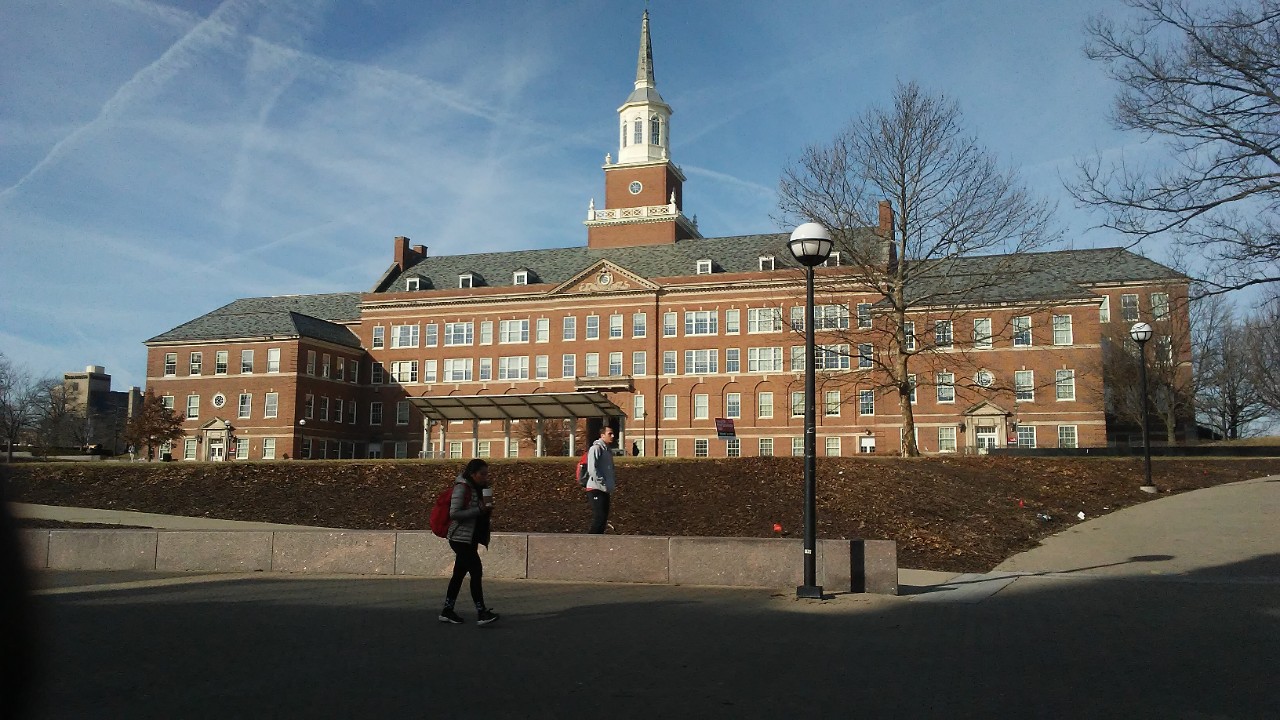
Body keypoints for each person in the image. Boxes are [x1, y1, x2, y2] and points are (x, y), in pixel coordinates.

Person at [439, 459, 499, 626]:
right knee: (476, 572)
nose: (485, 477)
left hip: (470, 537)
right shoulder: (462, 488)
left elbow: (481, 511)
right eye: (482, 474)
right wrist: (479, 509)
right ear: (473, 474)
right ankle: (481, 612)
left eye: (487, 474)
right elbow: (454, 513)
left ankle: (447, 610)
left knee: (458, 574)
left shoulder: (481, 489)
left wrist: (487, 508)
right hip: (460, 537)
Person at [585, 426, 617, 534]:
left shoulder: (608, 451)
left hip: (605, 489)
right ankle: (590, 542)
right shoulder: (596, 448)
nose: (612, 436)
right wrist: (602, 482)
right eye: (609, 434)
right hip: (595, 488)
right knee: (599, 517)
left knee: (603, 519)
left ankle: (598, 543)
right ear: (602, 435)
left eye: (612, 434)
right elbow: (592, 469)